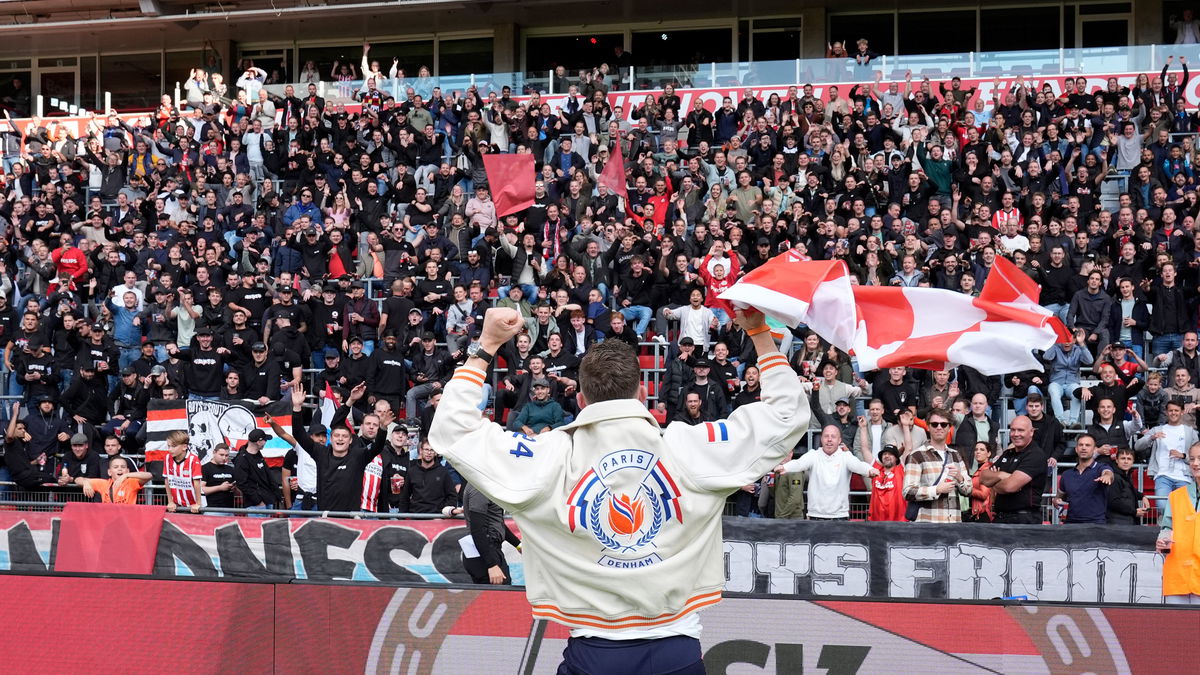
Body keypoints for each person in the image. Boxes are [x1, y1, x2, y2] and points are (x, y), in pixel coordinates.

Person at [430, 306, 806, 673]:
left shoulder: (549, 457)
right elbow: (788, 415)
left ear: (579, 400)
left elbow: (452, 430)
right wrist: (759, 335)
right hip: (678, 651)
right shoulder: (688, 448)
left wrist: (486, 347)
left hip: (591, 652)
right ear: (643, 394)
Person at [775, 425, 878, 520]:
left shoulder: (846, 456)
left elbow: (859, 465)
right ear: (821, 439)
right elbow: (798, 463)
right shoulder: (813, 455)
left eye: (833, 436)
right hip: (815, 516)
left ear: (839, 440)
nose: (829, 439)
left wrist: (869, 470)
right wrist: (784, 467)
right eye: (826, 436)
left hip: (840, 517)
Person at [901, 408, 970, 523]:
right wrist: (936, 490)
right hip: (927, 525)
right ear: (928, 427)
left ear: (949, 428)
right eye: (934, 424)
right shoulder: (916, 455)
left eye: (943, 424)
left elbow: (968, 490)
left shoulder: (956, 455)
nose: (939, 427)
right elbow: (908, 492)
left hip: (953, 524)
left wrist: (960, 478)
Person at [1155, 442, 1200, 604]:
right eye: (1193, 459)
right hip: (1177, 575)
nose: (1195, 464)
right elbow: (1167, 526)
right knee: (1176, 627)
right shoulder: (1175, 496)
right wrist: (1163, 539)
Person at [980, 416, 1047, 524]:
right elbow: (983, 477)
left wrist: (994, 482)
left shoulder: (1035, 455)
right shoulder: (1008, 453)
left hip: (1024, 520)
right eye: (1013, 430)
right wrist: (1001, 475)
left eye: (1020, 430)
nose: (1016, 434)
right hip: (1001, 518)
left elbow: (1009, 486)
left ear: (1031, 432)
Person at [1135, 400, 1198, 503]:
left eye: (1176, 410)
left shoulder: (1190, 432)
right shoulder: (1157, 430)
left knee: (1183, 508)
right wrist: (1151, 438)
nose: (1173, 413)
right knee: (1162, 505)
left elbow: (1197, 455)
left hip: (1184, 477)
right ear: (1166, 412)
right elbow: (1137, 446)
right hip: (1162, 475)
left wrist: (1183, 455)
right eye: (1171, 410)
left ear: (1182, 412)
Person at [460, 480, 522, 585]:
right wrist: (491, 565)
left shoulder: (487, 486)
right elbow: (477, 529)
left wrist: (518, 545)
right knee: (500, 597)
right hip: (485, 553)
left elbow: (495, 523)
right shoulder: (480, 488)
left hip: (488, 550)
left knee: (501, 596)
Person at [1056, 433, 1115, 524]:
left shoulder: (1101, 468)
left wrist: (1106, 476)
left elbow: (1108, 472)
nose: (1083, 448)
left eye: (1087, 445)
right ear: (1076, 449)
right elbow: (1059, 496)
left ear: (1094, 449)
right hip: (1070, 525)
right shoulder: (1066, 474)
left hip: (1095, 525)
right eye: (1081, 445)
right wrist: (1056, 501)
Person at [74, 456, 153, 504]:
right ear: (109, 472)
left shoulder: (131, 482)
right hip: (108, 521)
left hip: (127, 521)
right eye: (116, 467)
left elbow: (149, 475)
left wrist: (126, 475)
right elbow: (77, 479)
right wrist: (86, 482)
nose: (120, 469)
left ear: (128, 470)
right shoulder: (104, 484)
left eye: (123, 467)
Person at [161, 430, 203, 514]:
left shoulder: (193, 459)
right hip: (177, 505)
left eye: (173, 446)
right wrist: (170, 501)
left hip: (193, 505)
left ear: (184, 447)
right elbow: (167, 480)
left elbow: (197, 483)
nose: (169, 449)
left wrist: (198, 504)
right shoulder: (167, 458)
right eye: (168, 446)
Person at [1107, 447, 1150, 525]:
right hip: (1118, 523)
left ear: (1133, 461)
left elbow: (1128, 489)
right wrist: (1134, 511)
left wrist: (1142, 496)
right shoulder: (1115, 477)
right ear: (1117, 460)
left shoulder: (1126, 476)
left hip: (1126, 522)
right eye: (1123, 458)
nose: (1126, 461)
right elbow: (1114, 502)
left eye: (1129, 459)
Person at [868, 445, 905, 522]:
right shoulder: (876, 470)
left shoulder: (901, 471)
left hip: (899, 522)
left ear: (896, 458)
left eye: (890, 454)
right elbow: (864, 448)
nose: (887, 456)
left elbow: (909, 448)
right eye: (884, 454)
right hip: (876, 523)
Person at [200, 443, 237, 510]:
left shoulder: (230, 469)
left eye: (226, 455)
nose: (224, 458)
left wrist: (233, 488)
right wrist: (220, 488)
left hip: (230, 509)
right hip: (211, 509)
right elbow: (201, 490)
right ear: (214, 452)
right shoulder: (205, 468)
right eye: (221, 455)